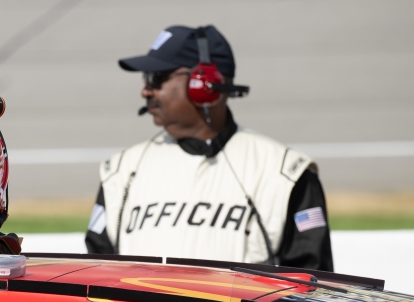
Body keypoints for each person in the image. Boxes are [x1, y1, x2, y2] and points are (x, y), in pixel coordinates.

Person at [85, 25, 333, 270]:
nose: (145, 90)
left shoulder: (284, 171)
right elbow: (97, 272)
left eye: (157, 78)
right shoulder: (120, 170)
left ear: (204, 83)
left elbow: (312, 286)